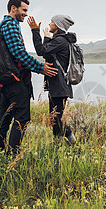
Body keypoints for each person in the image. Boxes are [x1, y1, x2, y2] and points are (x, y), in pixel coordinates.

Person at [0, 0, 58, 154]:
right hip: (16, 81)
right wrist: (40, 67)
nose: (26, 14)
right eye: (24, 10)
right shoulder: (10, 25)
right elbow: (19, 54)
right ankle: (12, 155)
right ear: (13, 8)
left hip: (7, 80)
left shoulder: (5, 25)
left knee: (4, 117)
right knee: (21, 118)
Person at [27, 14, 76, 145]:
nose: (49, 24)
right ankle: (58, 144)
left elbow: (40, 51)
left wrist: (35, 31)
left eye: (52, 22)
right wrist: (47, 38)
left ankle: (71, 141)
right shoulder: (59, 40)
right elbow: (48, 57)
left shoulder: (61, 41)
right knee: (54, 119)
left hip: (60, 87)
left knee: (56, 119)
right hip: (57, 86)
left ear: (58, 26)